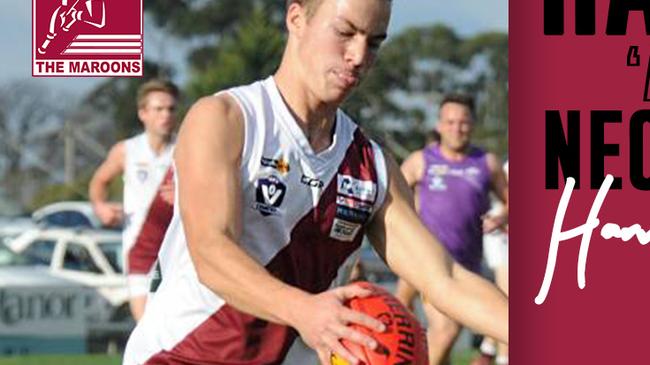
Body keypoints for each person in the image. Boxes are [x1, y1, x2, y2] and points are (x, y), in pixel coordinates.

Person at [123, 1, 508, 364]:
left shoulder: (371, 166)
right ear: (297, 19)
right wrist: (304, 310)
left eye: (374, 42)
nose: (359, 57)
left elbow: (446, 279)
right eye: (345, 32)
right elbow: (211, 250)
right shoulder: (227, 119)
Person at [394, 95, 508, 365]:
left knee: (442, 337)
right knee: (445, 330)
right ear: (440, 125)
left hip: (466, 269)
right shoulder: (421, 161)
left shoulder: (486, 163)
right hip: (427, 264)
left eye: (464, 122)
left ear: (472, 124)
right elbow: (390, 197)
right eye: (451, 122)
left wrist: (500, 218)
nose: (457, 128)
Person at [89, 79, 179, 322]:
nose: (166, 115)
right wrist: (100, 206)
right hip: (140, 248)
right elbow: (99, 181)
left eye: (171, 109)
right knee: (145, 326)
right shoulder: (127, 150)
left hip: (178, 248)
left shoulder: (185, 148)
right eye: (159, 109)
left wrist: (183, 195)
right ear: (143, 113)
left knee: (176, 326)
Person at [471, 160, 509, 365]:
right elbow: (504, 200)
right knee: (508, 299)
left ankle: (487, 350)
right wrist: (503, 218)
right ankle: (502, 358)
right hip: (501, 235)